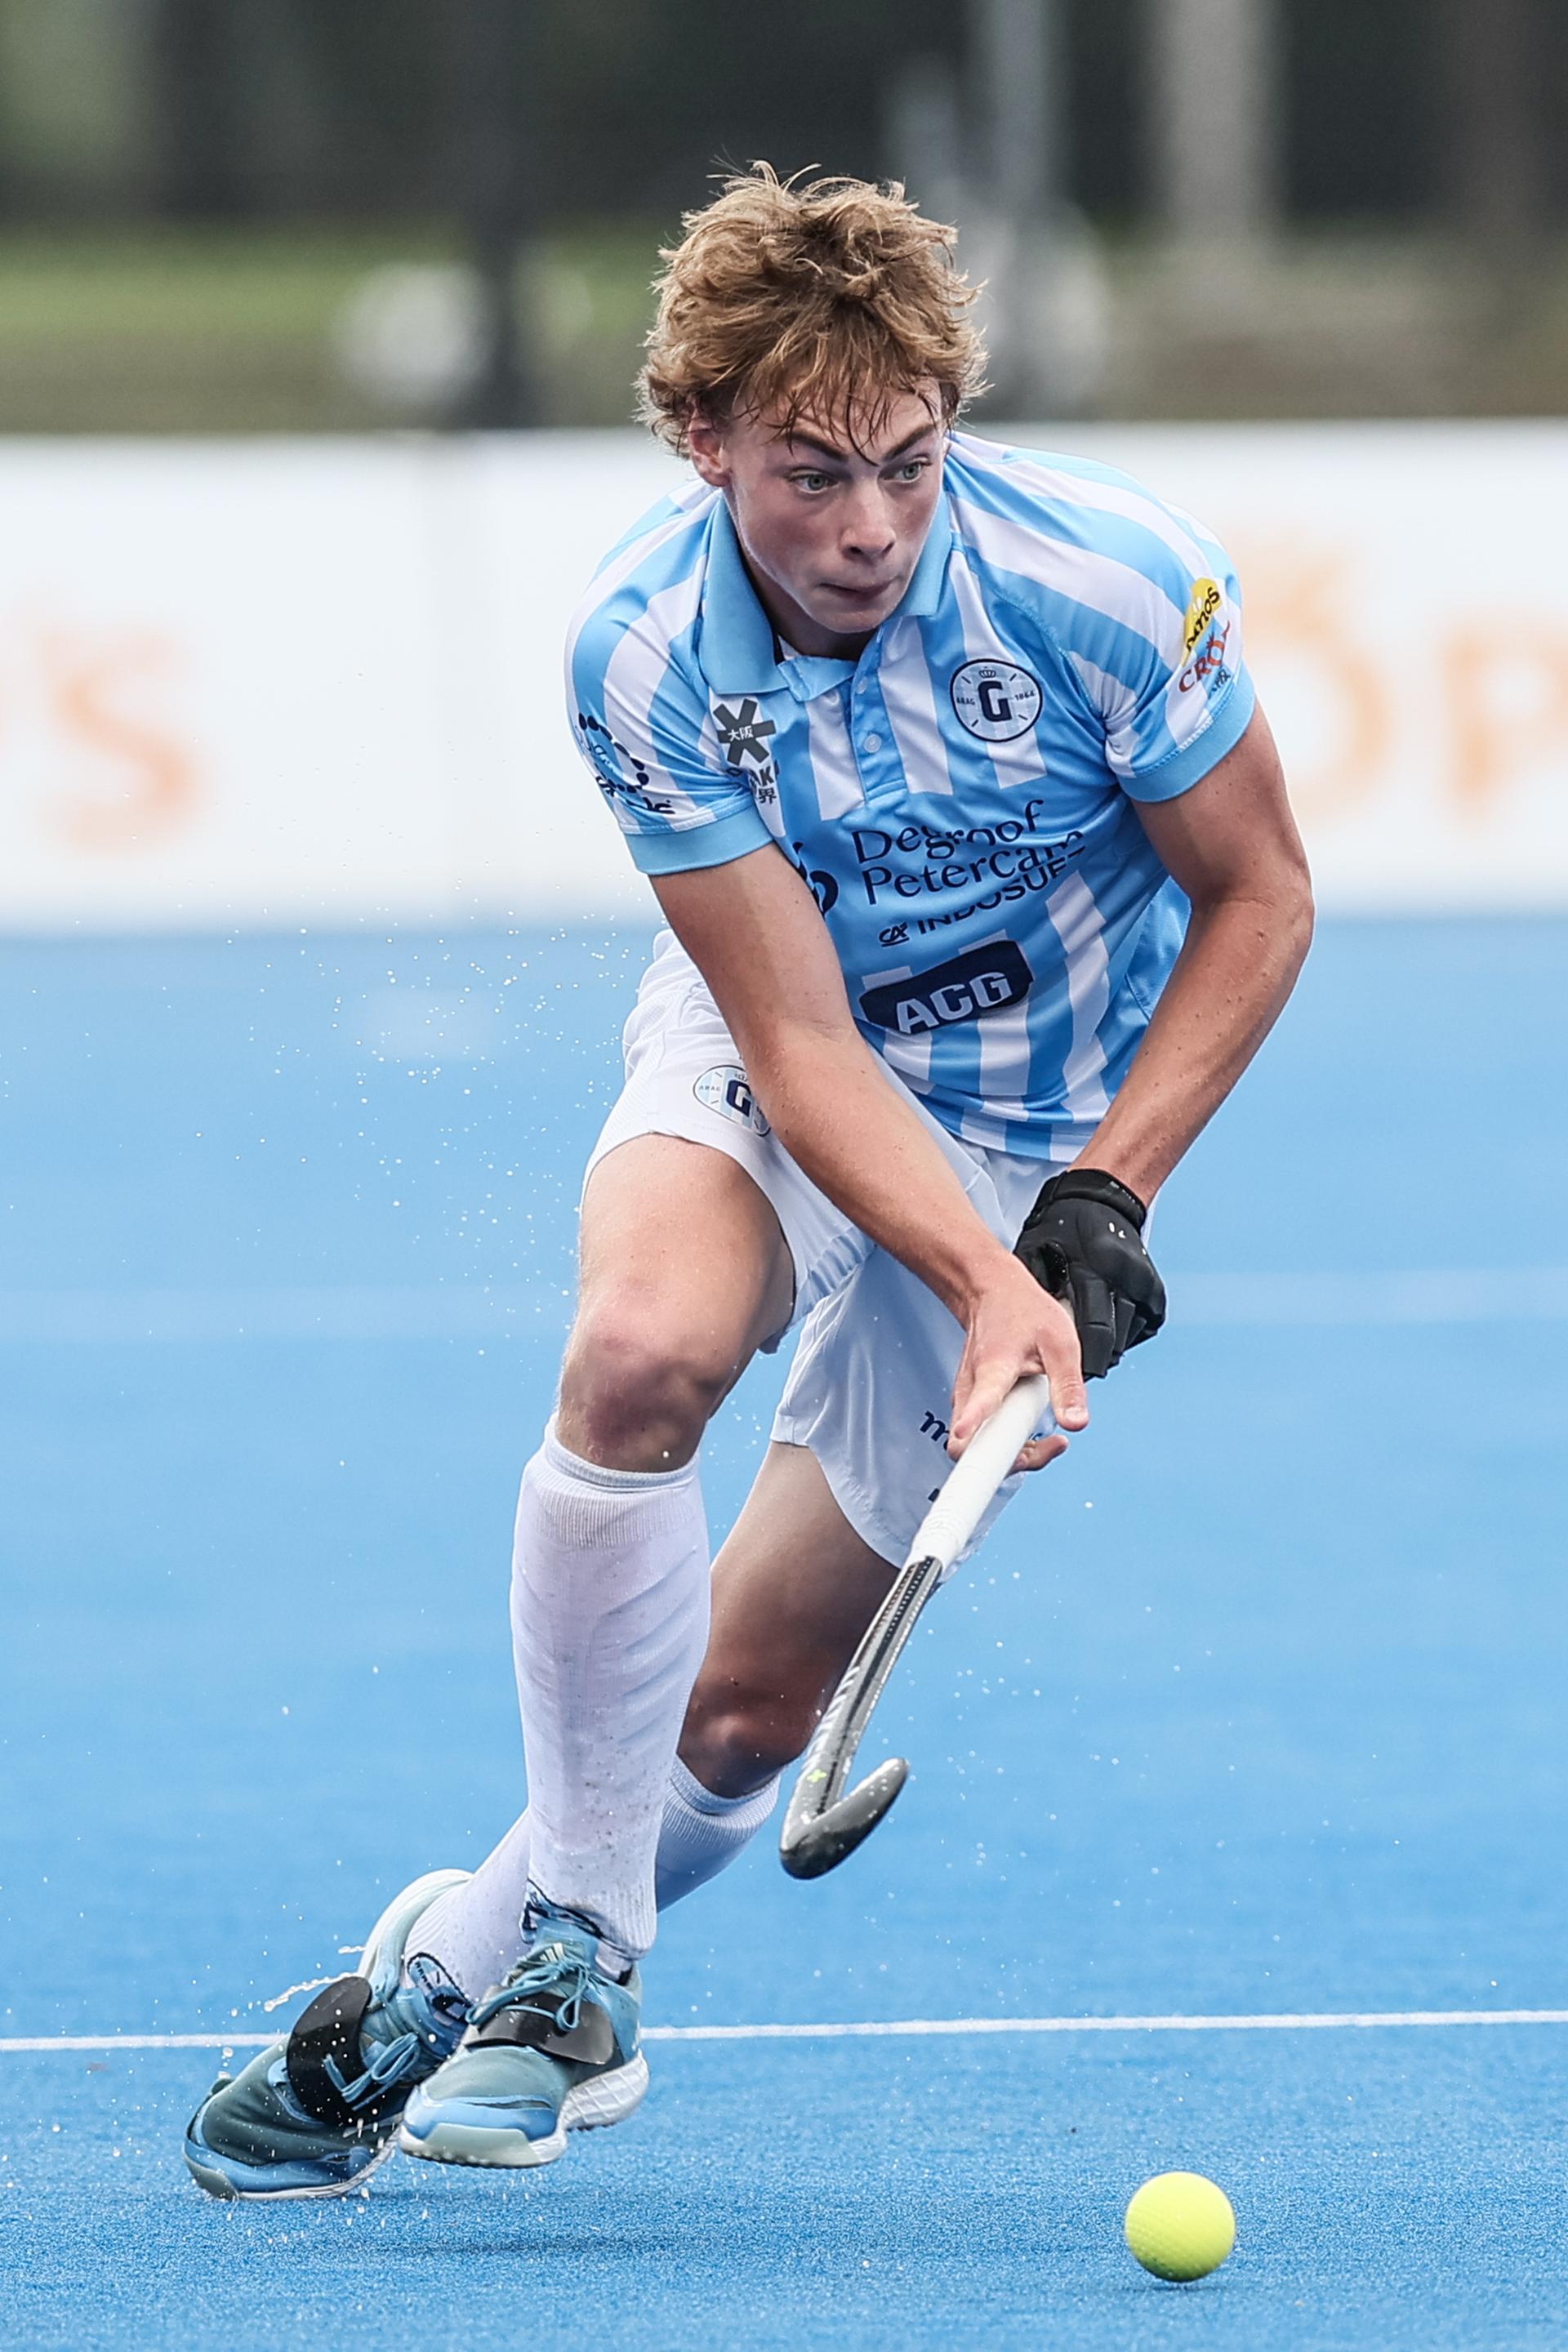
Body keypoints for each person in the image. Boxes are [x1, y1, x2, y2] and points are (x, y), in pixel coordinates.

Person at [184, 165, 1312, 2201]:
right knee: (639, 1351)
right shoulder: (642, 649)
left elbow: (1263, 897)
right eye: (809, 474)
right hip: (782, 1040)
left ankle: (459, 1969)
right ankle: (586, 1962)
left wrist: (1096, 1210)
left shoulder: (1114, 584)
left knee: (743, 1706)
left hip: (1035, 1114)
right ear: (702, 442)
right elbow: (790, 1047)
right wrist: (987, 1285)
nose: (870, 525)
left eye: (906, 461)